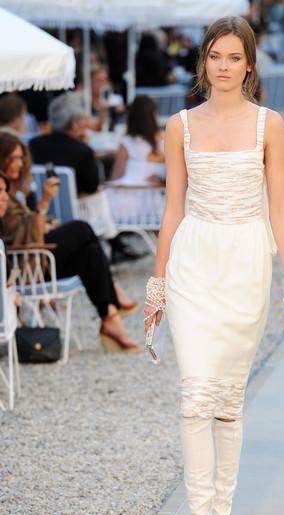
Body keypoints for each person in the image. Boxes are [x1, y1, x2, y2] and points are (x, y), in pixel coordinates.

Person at [143, 16, 284, 515]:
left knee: (225, 404)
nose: (223, 66)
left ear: (249, 65)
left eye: (234, 57)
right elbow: (171, 209)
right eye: (215, 55)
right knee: (193, 397)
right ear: (203, 62)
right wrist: (158, 282)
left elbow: (280, 208)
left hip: (244, 264)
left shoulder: (270, 125)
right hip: (193, 260)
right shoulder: (179, 126)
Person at [0, 130, 141, 353]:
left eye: (21, 157)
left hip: (38, 259)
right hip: (27, 265)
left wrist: (45, 220)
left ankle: (110, 316)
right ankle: (113, 297)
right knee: (81, 228)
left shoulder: (14, 191)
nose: (20, 162)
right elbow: (19, 235)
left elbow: (29, 226)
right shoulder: (2, 193)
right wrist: (44, 203)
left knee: (90, 252)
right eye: (14, 157)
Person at [29, 93, 140, 263]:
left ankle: (117, 244)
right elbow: (92, 186)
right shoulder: (81, 150)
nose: (85, 125)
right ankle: (114, 240)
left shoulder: (34, 144)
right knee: (101, 194)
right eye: (82, 121)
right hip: (77, 211)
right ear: (74, 124)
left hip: (42, 208)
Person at [110, 95, 165, 185]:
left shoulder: (127, 142)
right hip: (158, 195)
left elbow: (116, 177)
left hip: (131, 194)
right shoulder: (165, 139)